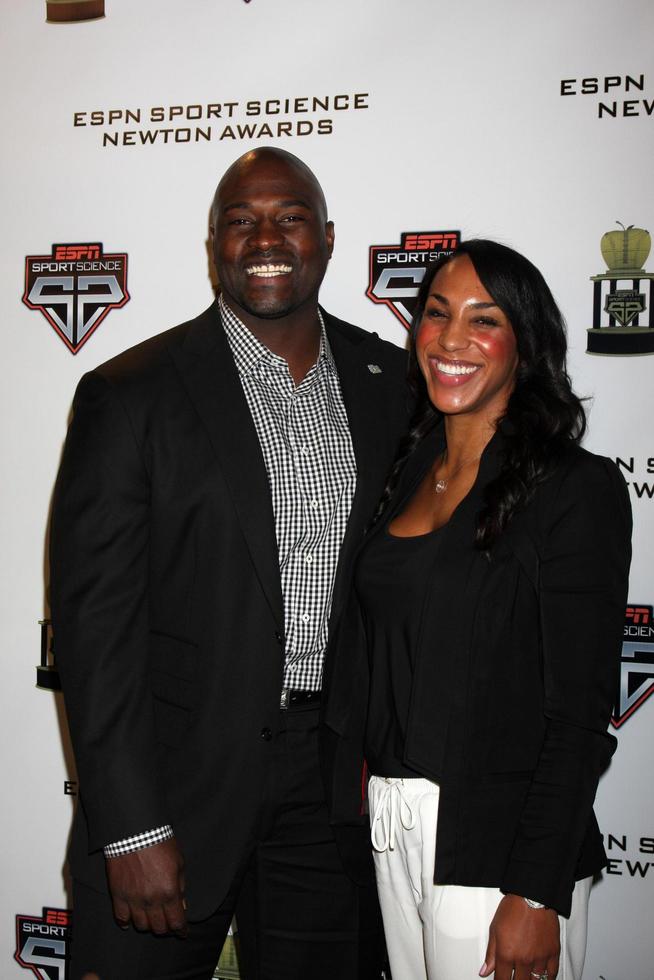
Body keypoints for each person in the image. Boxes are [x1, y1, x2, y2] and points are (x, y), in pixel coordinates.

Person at [50, 146, 410, 979]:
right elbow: (96, 631)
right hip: (176, 787)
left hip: (334, 796)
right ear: (213, 244)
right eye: (240, 222)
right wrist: (131, 828)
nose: (265, 237)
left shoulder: (391, 383)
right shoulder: (131, 392)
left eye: (288, 217)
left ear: (326, 237)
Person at [322, 240, 632, 980]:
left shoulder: (574, 490)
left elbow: (580, 716)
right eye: (435, 314)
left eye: (483, 320)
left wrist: (534, 890)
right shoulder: (406, 470)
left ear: (525, 347)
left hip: (497, 845)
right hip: (390, 828)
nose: (452, 339)